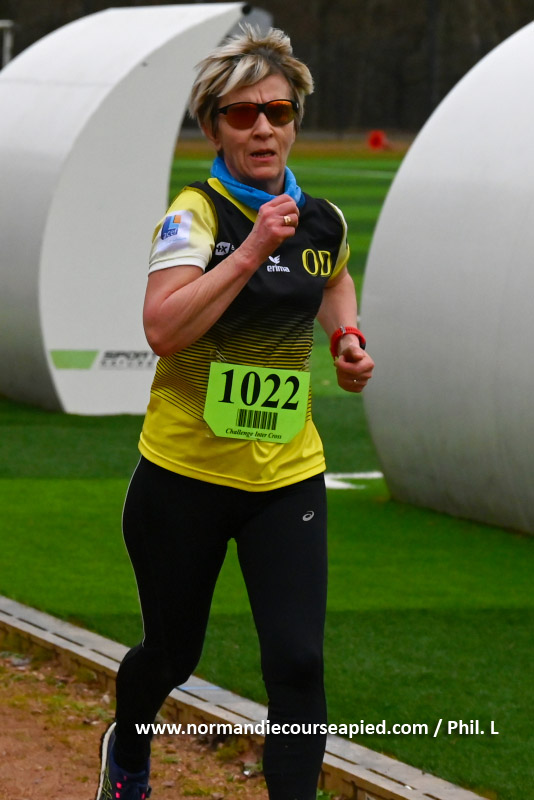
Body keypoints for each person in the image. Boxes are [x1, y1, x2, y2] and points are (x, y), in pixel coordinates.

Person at [96, 24, 374, 800]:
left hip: (287, 477)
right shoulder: (195, 216)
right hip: (183, 477)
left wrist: (347, 338)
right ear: (212, 126)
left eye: (278, 112)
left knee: (298, 662)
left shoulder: (321, 219)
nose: (263, 129)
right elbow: (162, 329)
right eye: (243, 114)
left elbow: (333, 278)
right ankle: (129, 751)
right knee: (171, 656)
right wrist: (251, 250)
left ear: (295, 123)